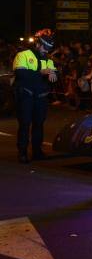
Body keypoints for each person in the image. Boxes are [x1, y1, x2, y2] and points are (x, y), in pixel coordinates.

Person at [13, 29, 57, 163]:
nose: (46, 50)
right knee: (25, 124)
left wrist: (54, 75)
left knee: (39, 125)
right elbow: (21, 75)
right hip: (25, 95)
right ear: (37, 44)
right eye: (44, 47)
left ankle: (37, 151)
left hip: (41, 96)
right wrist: (41, 72)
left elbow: (54, 75)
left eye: (49, 48)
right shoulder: (23, 55)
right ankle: (23, 152)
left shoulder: (48, 59)